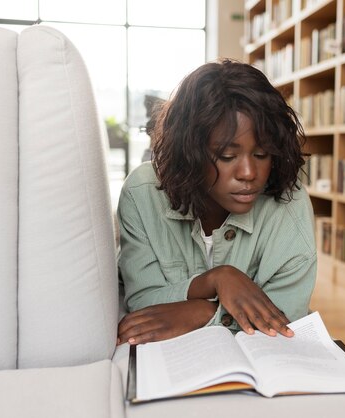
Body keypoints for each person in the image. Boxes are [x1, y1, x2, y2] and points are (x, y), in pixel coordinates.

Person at [116, 59, 317, 346]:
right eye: (226, 156)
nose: (249, 173)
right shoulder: (141, 194)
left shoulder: (289, 201)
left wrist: (203, 311)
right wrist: (217, 280)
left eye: (262, 154)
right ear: (189, 152)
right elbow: (143, 301)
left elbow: (285, 318)